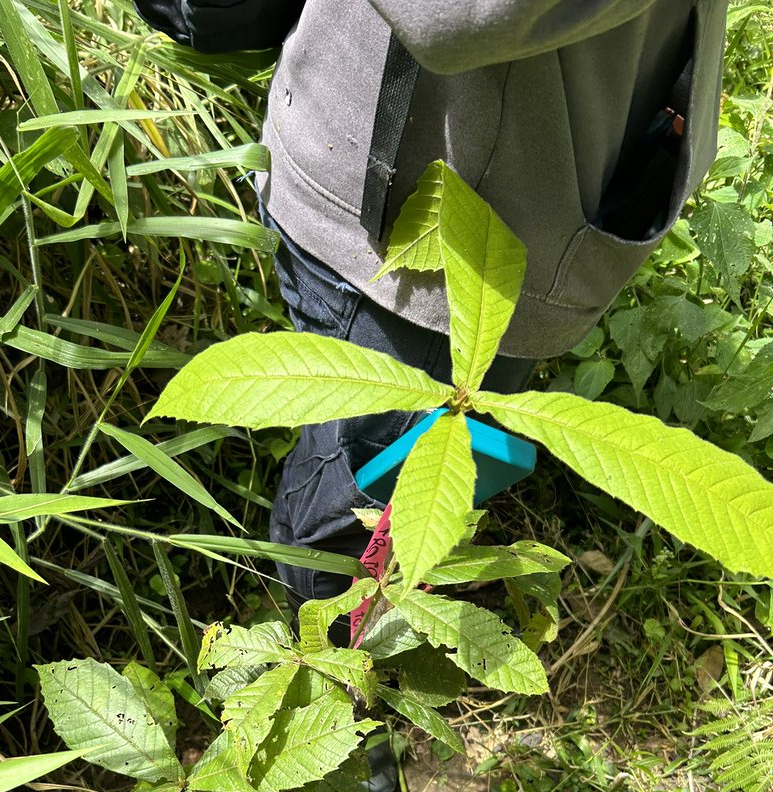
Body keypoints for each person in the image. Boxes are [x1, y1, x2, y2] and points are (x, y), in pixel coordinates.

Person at [135, 1, 728, 608]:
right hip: (385, 216)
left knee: (362, 523)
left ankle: (348, 647)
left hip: (476, 213)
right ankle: (329, 658)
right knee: (344, 534)